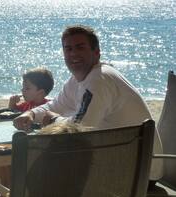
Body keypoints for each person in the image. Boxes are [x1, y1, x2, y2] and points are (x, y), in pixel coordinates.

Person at [13, 24, 163, 184]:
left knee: (42, 171)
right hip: (122, 160)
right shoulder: (79, 79)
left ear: (96, 52)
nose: (73, 53)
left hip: (139, 173)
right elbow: (57, 105)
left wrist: (53, 120)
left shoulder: (99, 80)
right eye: (68, 49)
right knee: (42, 169)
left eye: (80, 47)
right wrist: (31, 114)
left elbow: (81, 129)